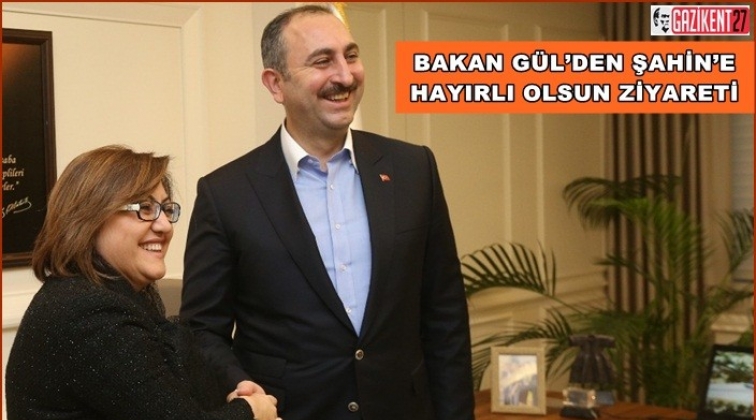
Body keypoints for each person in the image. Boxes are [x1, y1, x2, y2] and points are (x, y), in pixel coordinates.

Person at [180, 5, 474, 420]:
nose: (345, 76)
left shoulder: (413, 169)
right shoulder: (226, 193)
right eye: (322, 61)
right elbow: (201, 330)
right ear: (276, 84)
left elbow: (445, 316)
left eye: (351, 56)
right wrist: (241, 387)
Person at [5, 145, 279, 420]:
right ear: (90, 218)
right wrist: (252, 411)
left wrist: (232, 398)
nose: (165, 225)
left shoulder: (108, 295)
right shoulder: (91, 313)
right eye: (145, 208)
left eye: (166, 209)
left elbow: (167, 401)